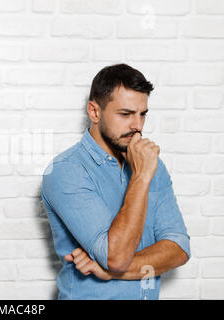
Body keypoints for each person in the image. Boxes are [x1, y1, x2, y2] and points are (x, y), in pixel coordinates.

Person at [41, 63, 190, 300]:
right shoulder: (65, 171)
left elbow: (179, 248)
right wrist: (141, 176)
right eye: (125, 114)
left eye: (142, 114)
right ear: (94, 111)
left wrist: (111, 272)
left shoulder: (151, 163)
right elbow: (116, 257)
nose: (138, 126)